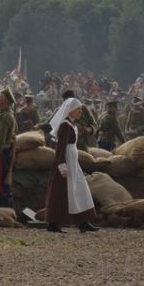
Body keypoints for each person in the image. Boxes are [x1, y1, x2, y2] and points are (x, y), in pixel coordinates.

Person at [44, 96, 100, 233]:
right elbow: (61, 148)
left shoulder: (72, 125)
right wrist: (62, 166)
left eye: (81, 109)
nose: (80, 111)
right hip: (66, 162)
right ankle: (53, 223)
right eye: (77, 109)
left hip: (73, 162)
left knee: (80, 190)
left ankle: (83, 222)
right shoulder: (65, 125)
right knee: (61, 193)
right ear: (70, 110)